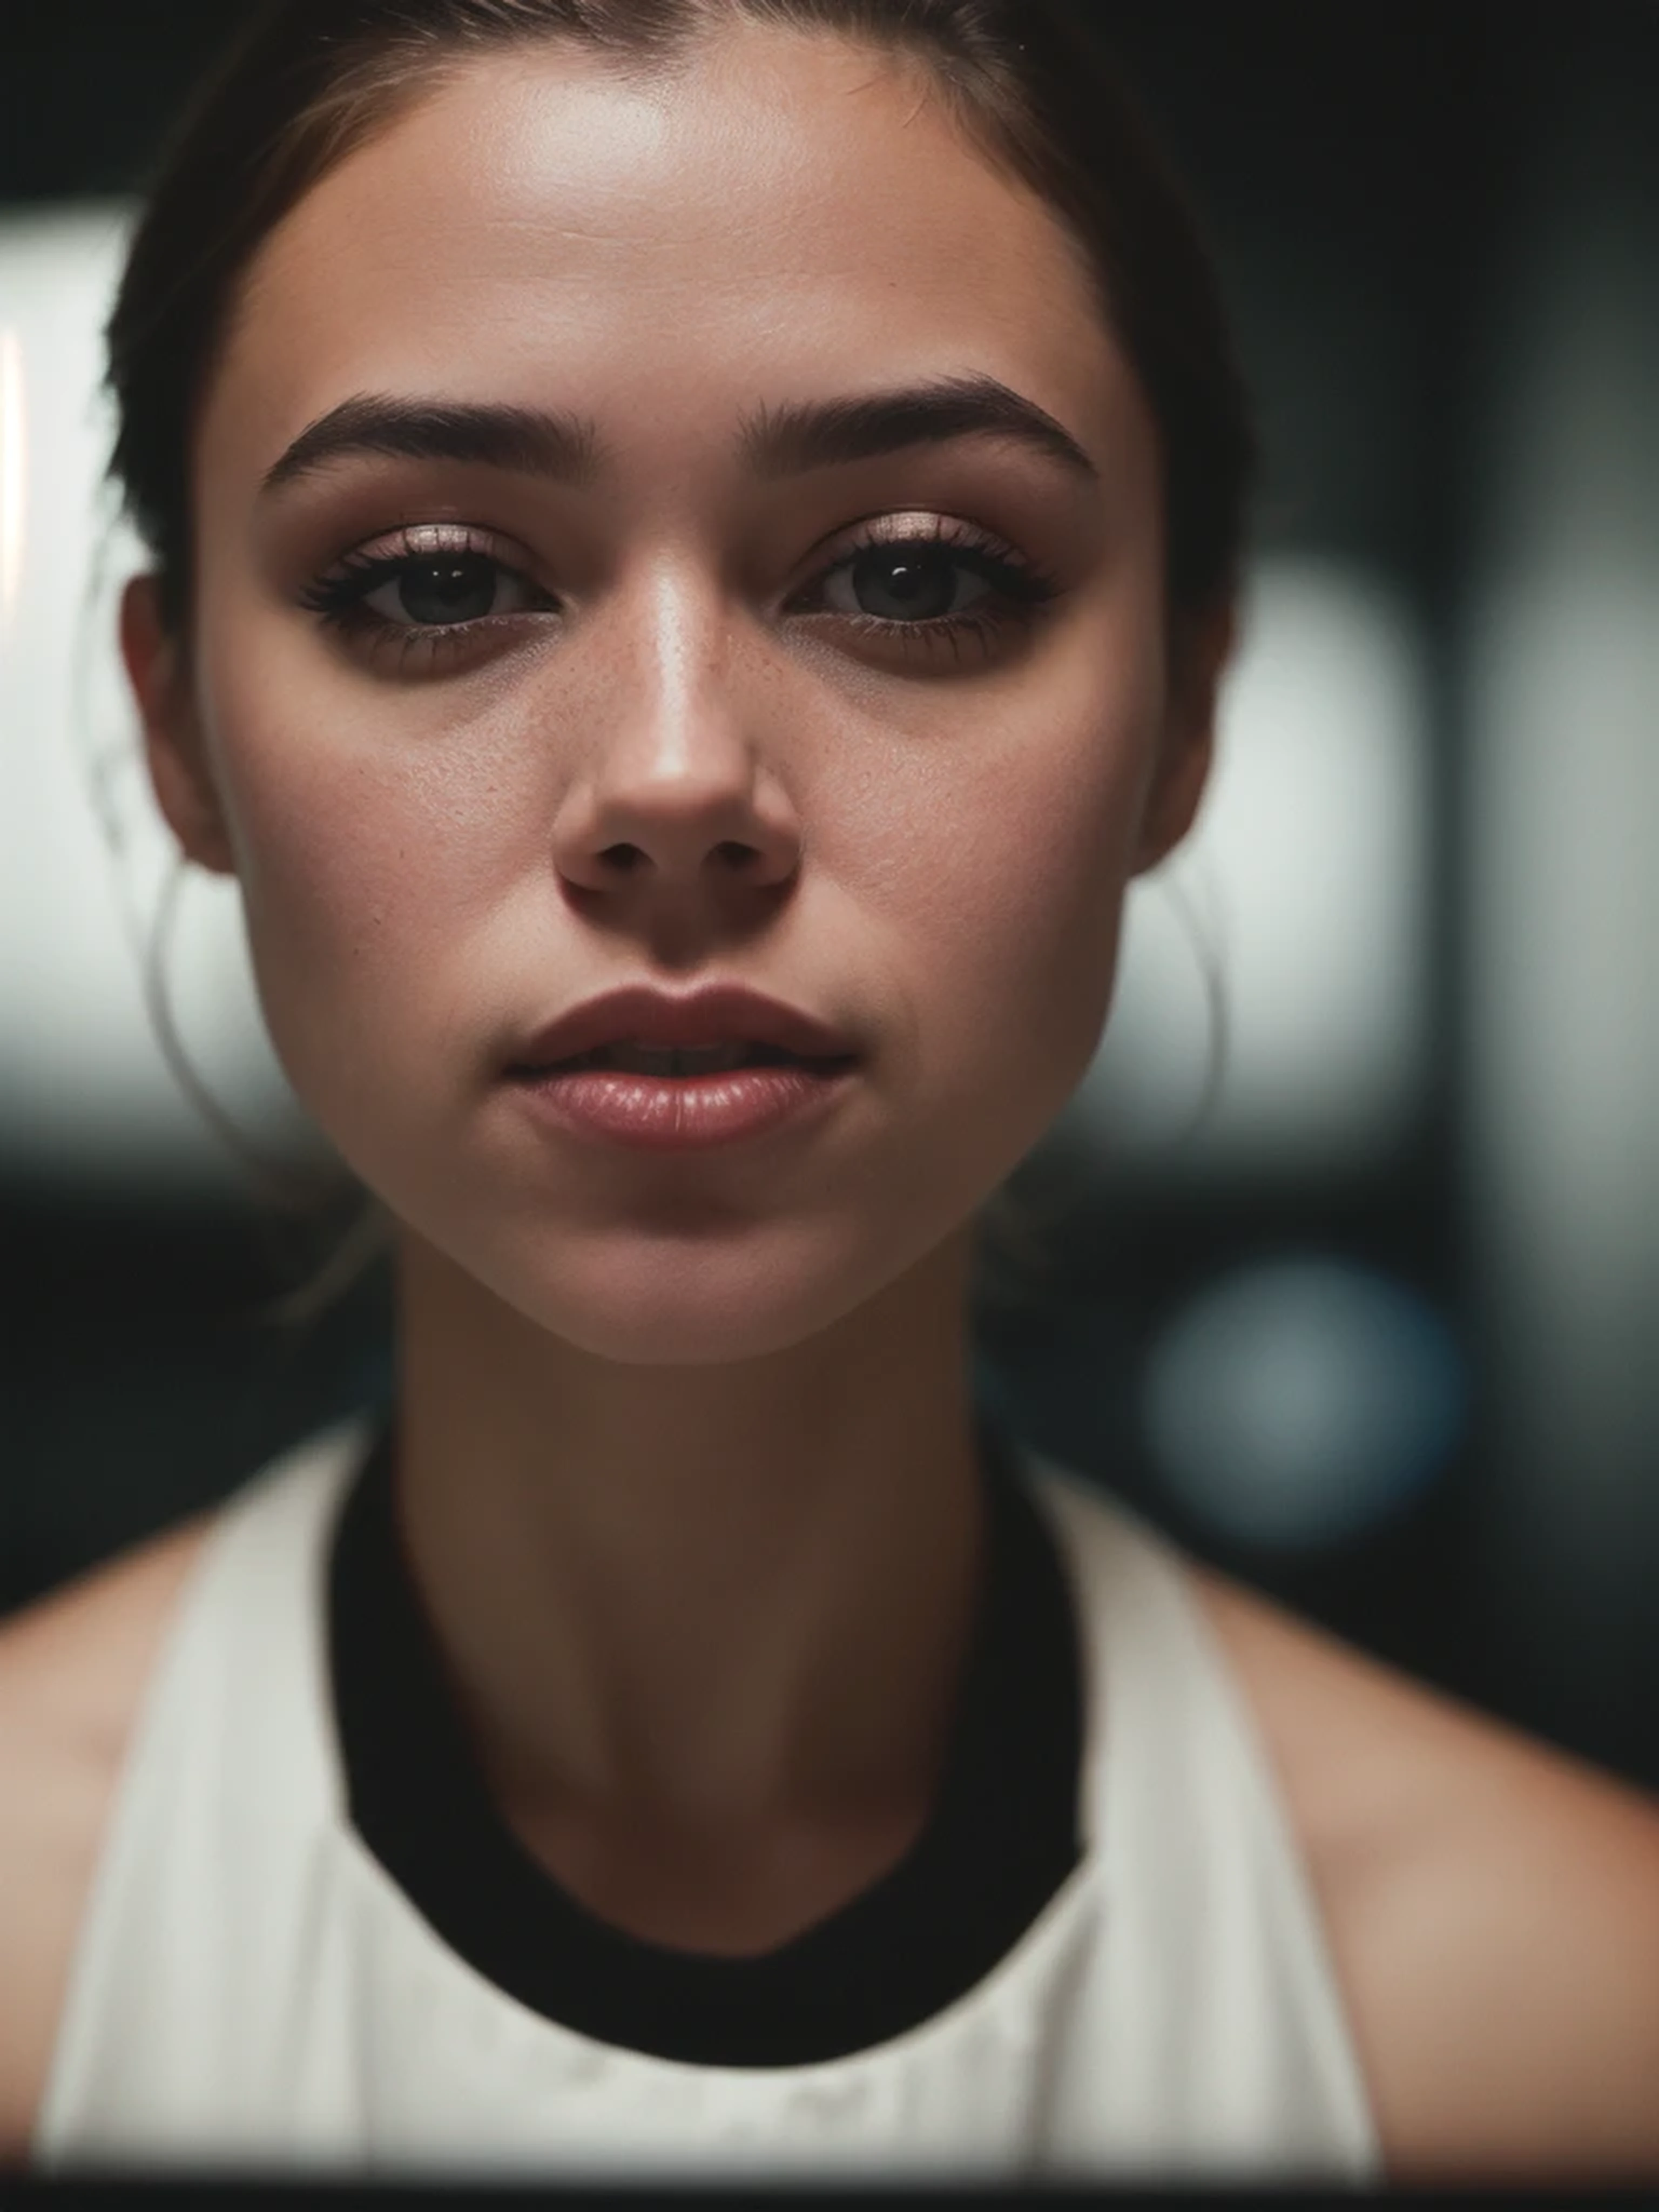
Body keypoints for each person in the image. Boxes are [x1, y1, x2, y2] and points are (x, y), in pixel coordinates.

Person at [2, 0, 1657, 2184]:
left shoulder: (1570, 2030)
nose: (678, 779)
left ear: (1183, 714)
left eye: (912, 575)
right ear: (183, 728)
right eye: (435, 582)